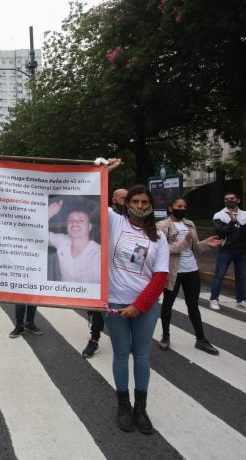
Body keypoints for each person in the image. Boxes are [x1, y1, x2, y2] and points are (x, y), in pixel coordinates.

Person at [103, 163, 169, 435]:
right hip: (115, 304)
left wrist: (139, 305)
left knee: (141, 357)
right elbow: (90, 195)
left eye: (144, 202)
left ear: (150, 205)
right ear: (126, 203)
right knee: (120, 355)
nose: (140, 205)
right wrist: (104, 171)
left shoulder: (159, 237)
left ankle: (141, 408)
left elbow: (161, 276)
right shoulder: (114, 221)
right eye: (135, 201)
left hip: (145, 306)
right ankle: (123, 405)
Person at [157, 198, 221, 354]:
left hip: (191, 269)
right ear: (171, 208)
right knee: (168, 303)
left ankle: (201, 339)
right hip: (173, 271)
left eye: (185, 206)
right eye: (179, 206)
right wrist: (184, 244)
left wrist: (207, 243)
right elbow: (163, 249)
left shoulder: (190, 224)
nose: (183, 209)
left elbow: (196, 247)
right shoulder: (161, 226)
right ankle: (165, 336)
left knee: (193, 305)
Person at [83, 188, 127, 358]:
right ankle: (94, 340)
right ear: (114, 200)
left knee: (125, 305)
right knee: (99, 307)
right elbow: (93, 196)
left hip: (123, 271)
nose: (126, 201)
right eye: (123, 198)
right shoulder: (108, 212)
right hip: (102, 268)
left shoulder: (133, 218)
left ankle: (127, 340)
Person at [48, 199, 101, 284]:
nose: (75, 223)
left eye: (81, 220)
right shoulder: (62, 240)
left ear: (89, 227)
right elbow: (35, 235)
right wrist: (48, 214)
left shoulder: (99, 255)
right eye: (71, 220)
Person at [209, 192, 246, 310]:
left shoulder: (244, 214)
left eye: (232, 198)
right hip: (226, 250)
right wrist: (232, 221)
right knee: (219, 275)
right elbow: (220, 232)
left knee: (242, 276)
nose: (229, 200)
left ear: (238, 200)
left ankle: (241, 300)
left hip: (242, 251)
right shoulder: (219, 215)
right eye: (226, 199)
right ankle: (214, 299)